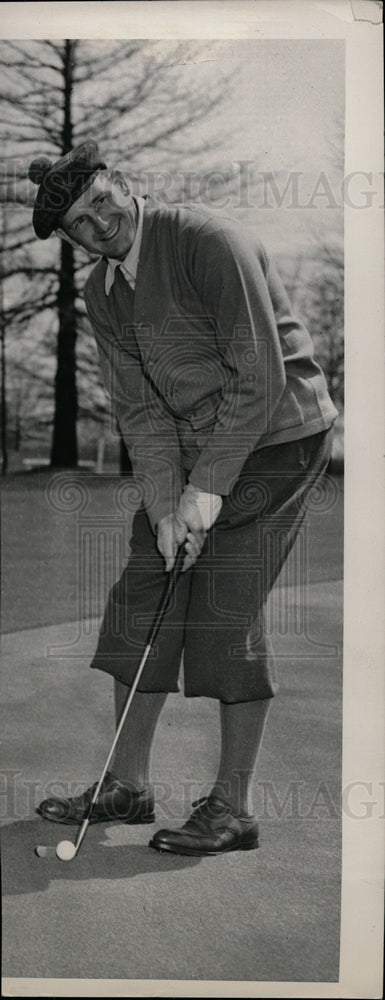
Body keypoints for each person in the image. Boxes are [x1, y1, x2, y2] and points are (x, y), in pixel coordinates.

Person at [30, 140, 338, 856]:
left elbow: (257, 376)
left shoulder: (204, 240)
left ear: (122, 182)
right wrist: (169, 506)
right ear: (72, 240)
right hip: (197, 451)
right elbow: (140, 412)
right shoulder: (102, 294)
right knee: (143, 595)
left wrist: (208, 492)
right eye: (80, 222)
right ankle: (126, 786)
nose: (99, 223)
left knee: (222, 606)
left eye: (100, 200)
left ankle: (232, 809)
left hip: (279, 436)